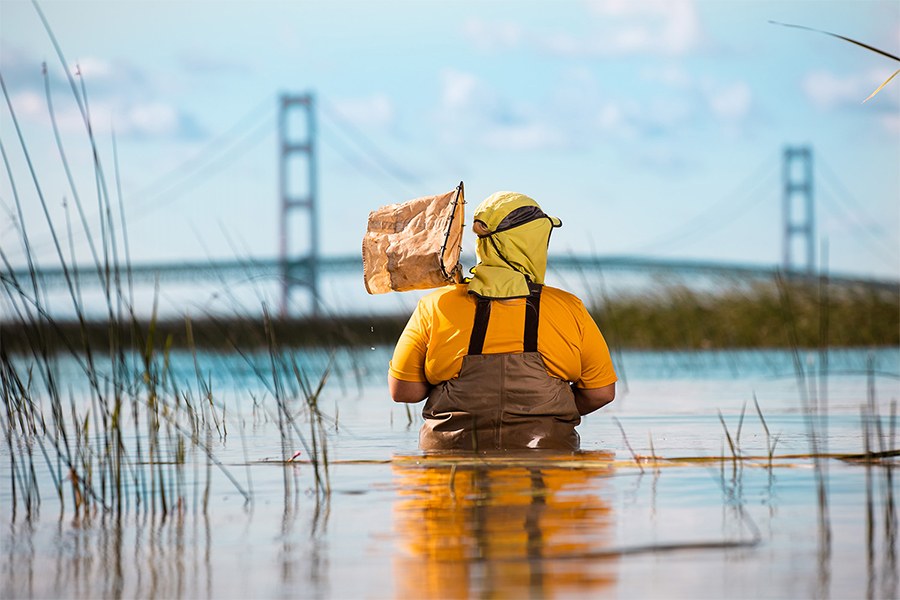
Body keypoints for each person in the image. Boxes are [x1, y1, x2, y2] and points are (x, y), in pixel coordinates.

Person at [388, 191, 617, 451]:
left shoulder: (435, 304)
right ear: (535, 242)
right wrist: (547, 409)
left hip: (450, 460)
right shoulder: (569, 307)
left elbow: (403, 392)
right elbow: (601, 393)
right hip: (547, 458)